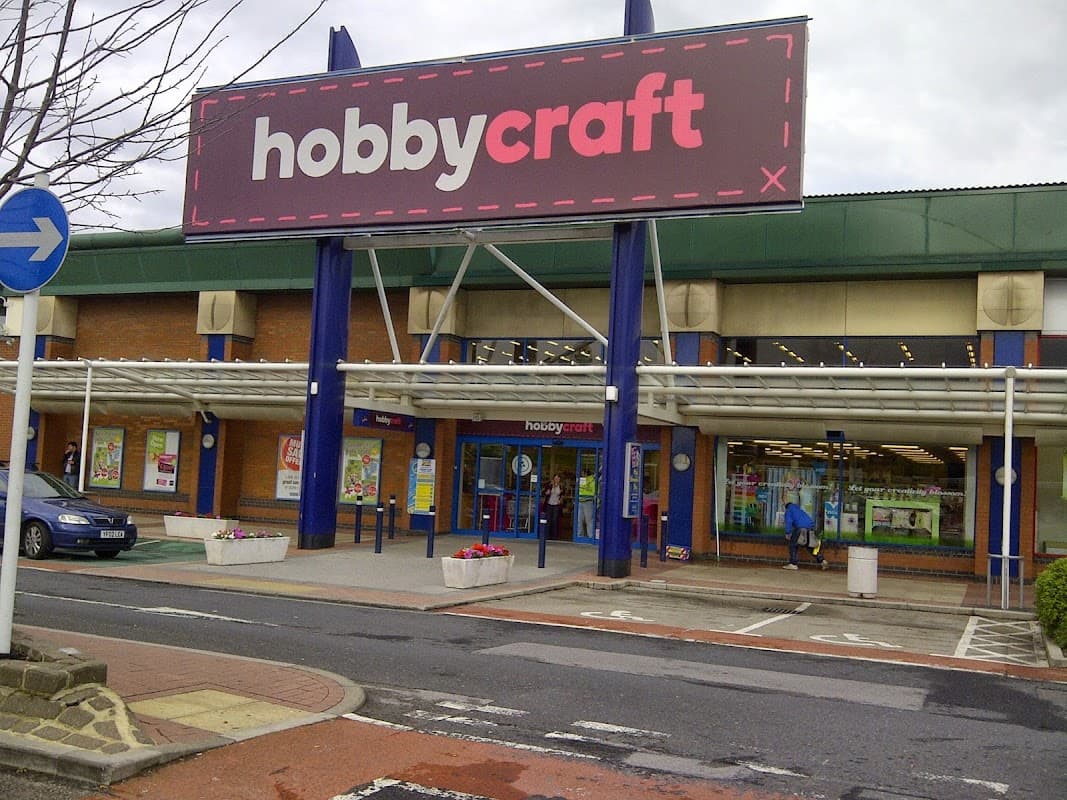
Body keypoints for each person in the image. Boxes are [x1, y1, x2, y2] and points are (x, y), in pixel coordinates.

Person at [783, 500, 828, 570]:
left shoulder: (789, 510)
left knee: (793, 545)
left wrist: (787, 533)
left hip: (800, 529)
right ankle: (822, 560)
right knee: (810, 546)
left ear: (786, 507)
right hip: (810, 528)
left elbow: (788, 522)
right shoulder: (799, 510)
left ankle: (793, 563)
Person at [543, 473, 565, 540]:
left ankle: (554, 536)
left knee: (555, 520)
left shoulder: (561, 486)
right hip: (549, 504)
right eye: (555, 478)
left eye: (558, 478)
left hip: (556, 505)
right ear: (553, 479)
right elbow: (544, 492)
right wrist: (547, 492)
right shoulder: (549, 485)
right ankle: (547, 535)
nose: (557, 480)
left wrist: (560, 500)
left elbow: (563, 494)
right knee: (548, 520)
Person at [577, 468, 597, 538]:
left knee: (588, 520)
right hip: (580, 501)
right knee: (579, 520)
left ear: (585, 473)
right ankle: (580, 536)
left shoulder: (592, 481)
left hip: (588, 502)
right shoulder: (582, 480)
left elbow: (594, 492)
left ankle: (590, 537)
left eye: (582, 473)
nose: (581, 474)